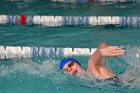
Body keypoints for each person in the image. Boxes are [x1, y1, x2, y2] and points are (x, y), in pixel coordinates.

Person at [59, 42, 126, 85]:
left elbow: (102, 45)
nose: (70, 69)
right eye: (65, 70)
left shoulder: (92, 68)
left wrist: (102, 51)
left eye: (70, 65)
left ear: (77, 63)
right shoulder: (84, 80)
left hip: (129, 83)